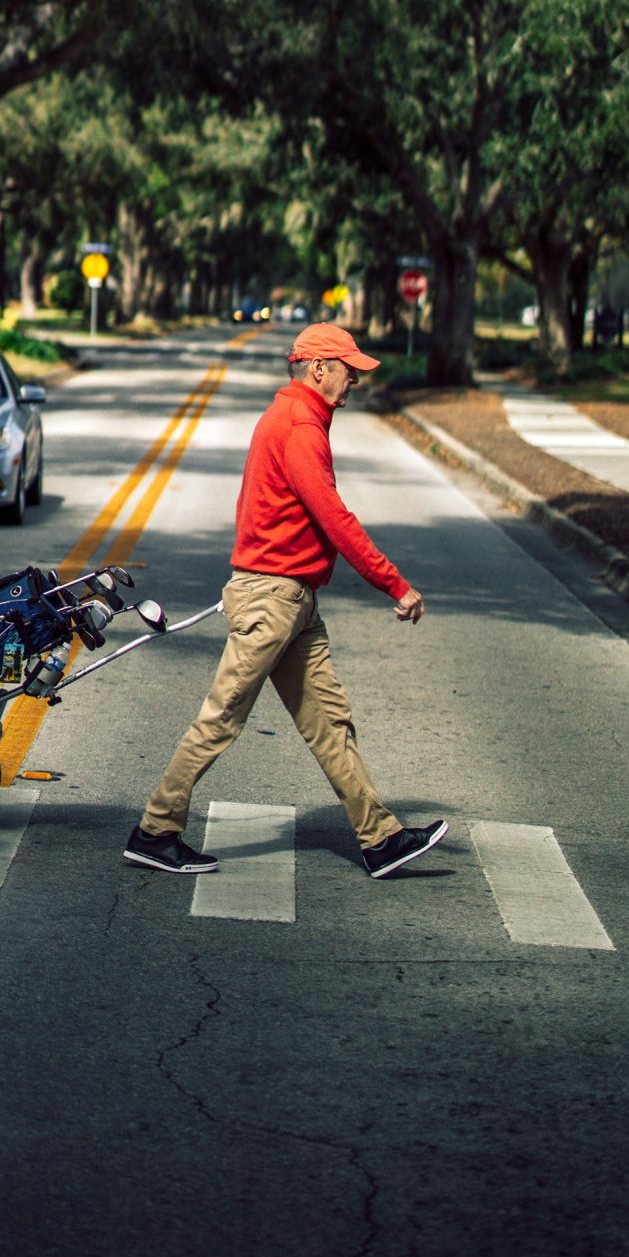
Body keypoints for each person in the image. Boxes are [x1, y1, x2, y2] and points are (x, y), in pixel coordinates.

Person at [124, 321, 449, 881]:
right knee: (221, 717)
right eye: (349, 370)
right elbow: (335, 519)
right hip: (272, 598)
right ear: (319, 367)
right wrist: (394, 583)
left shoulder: (296, 418)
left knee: (330, 723)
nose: (354, 382)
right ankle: (155, 830)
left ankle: (382, 839)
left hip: (291, 600)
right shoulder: (299, 425)